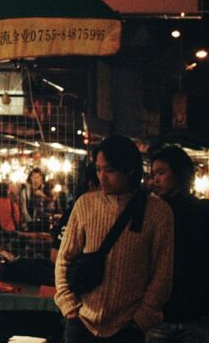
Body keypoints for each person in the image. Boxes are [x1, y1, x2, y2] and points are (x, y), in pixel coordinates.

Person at [55, 136, 174, 343]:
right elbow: (63, 259)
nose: (102, 177)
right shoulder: (85, 204)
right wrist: (68, 305)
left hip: (127, 327)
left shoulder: (158, 212)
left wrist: (142, 317)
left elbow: (162, 272)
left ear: (130, 171)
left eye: (109, 170)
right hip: (82, 322)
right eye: (98, 169)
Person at [146, 146, 209, 343]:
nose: (155, 181)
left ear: (180, 173)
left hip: (190, 311)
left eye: (161, 173)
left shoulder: (203, 210)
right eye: (153, 174)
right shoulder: (156, 210)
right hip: (165, 312)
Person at [19, 167, 56, 231]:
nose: (35, 180)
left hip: (44, 223)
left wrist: (44, 196)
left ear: (41, 179)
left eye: (38, 177)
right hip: (29, 224)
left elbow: (51, 207)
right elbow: (23, 208)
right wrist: (29, 222)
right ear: (30, 178)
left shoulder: (46, 190)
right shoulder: (25, 192)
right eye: (33, 177)